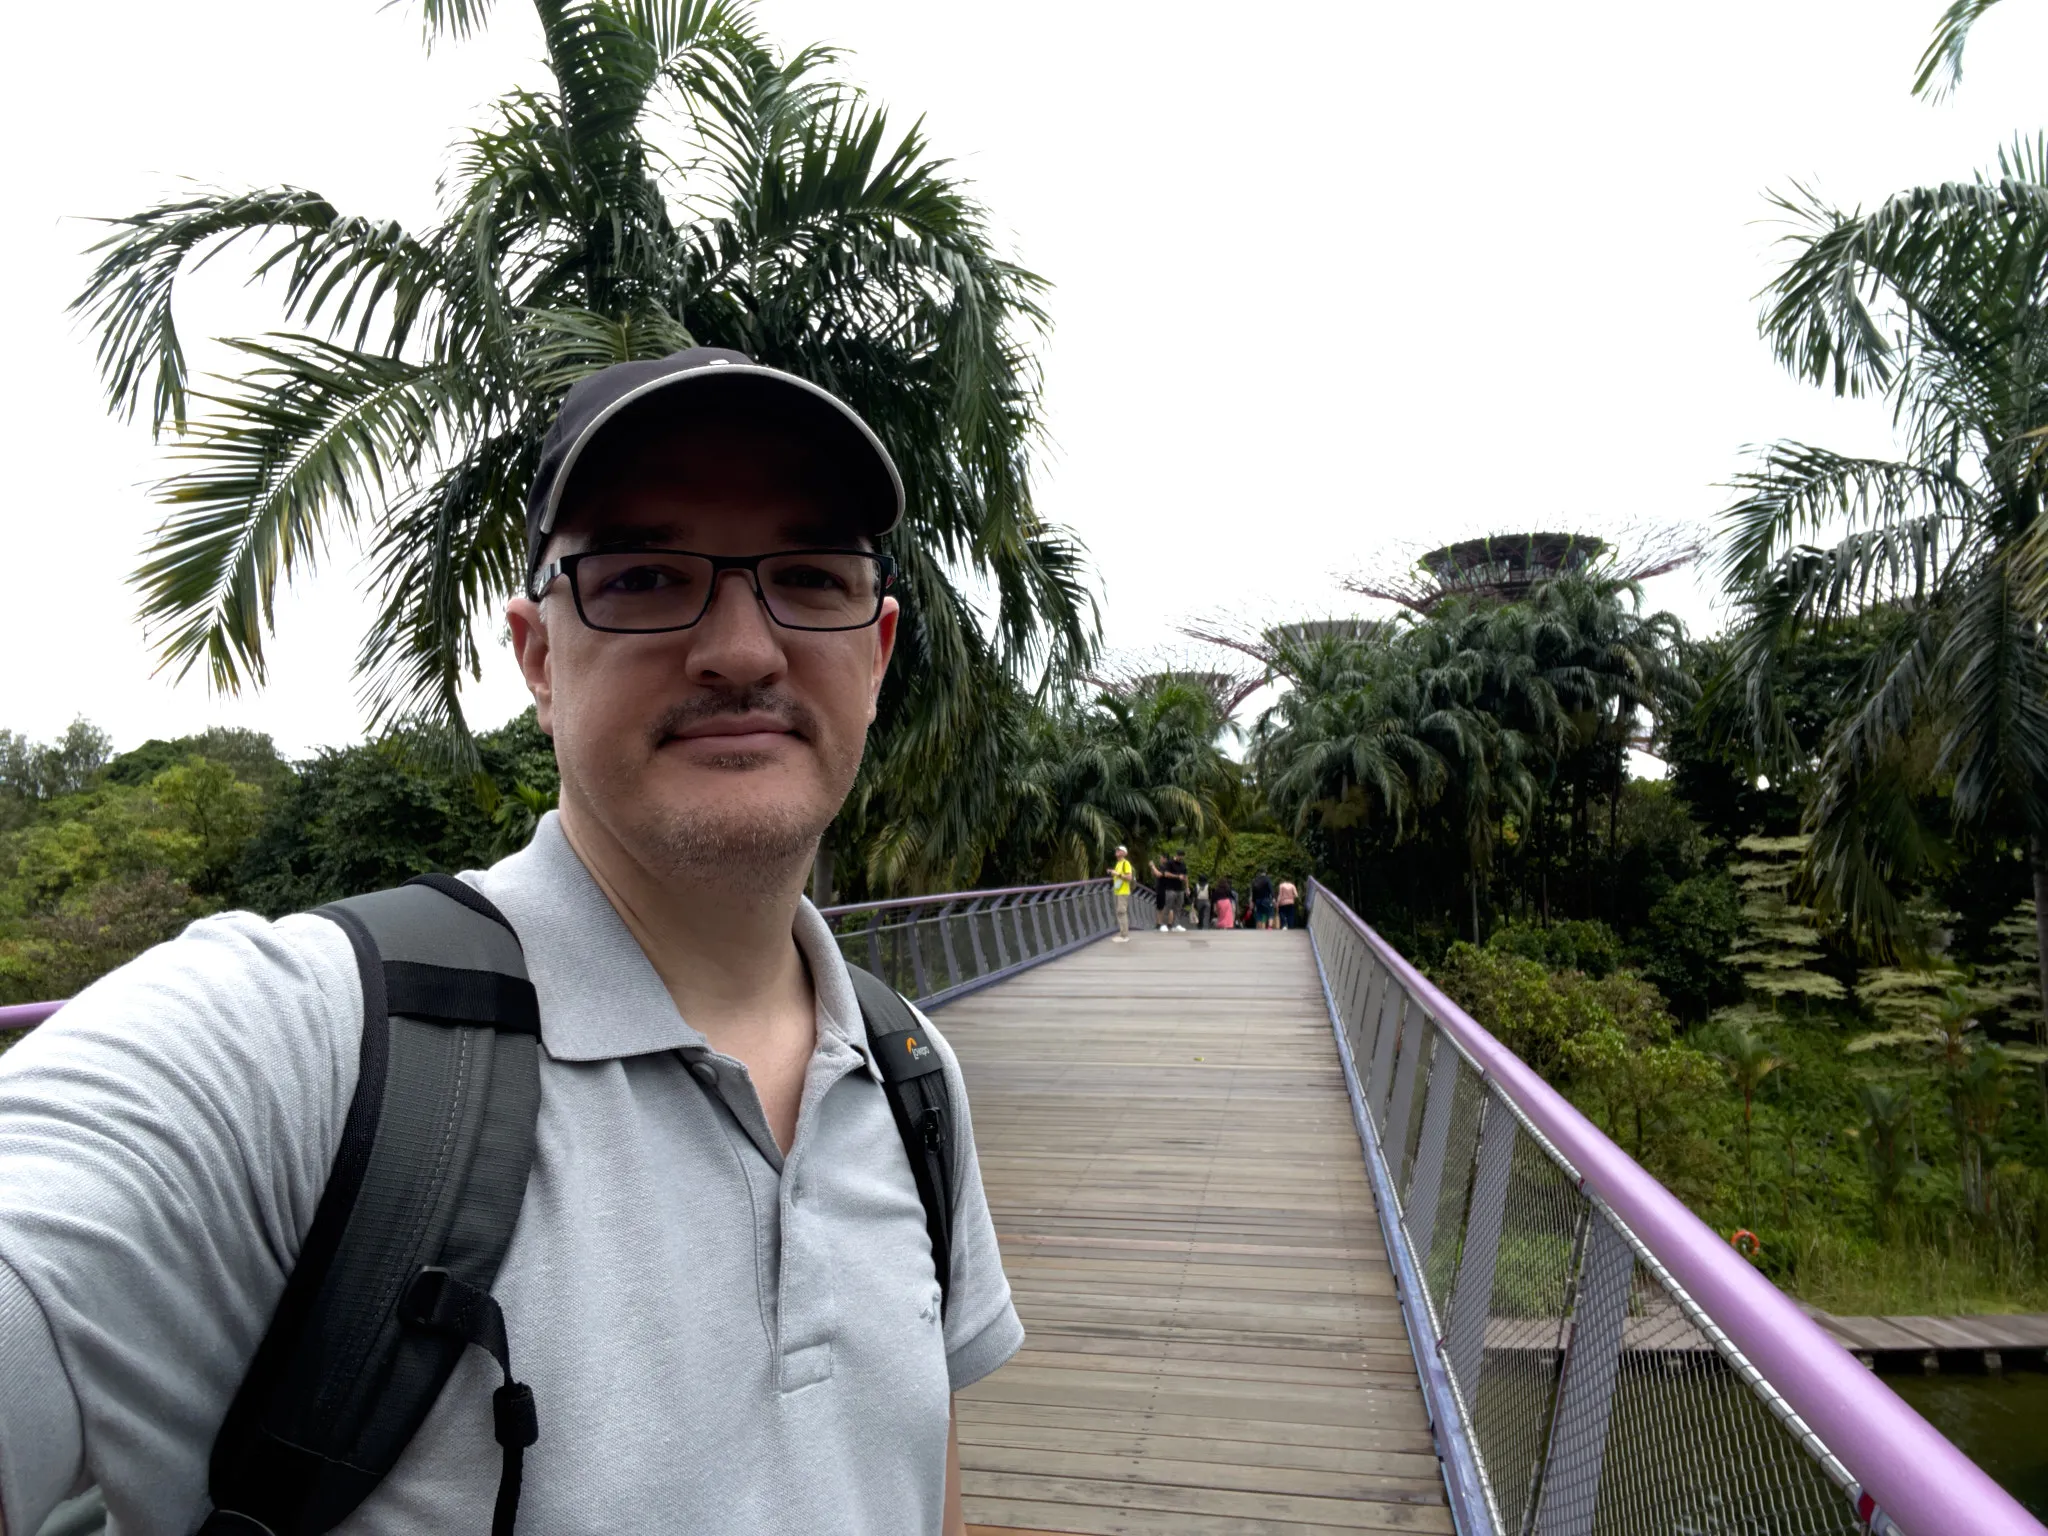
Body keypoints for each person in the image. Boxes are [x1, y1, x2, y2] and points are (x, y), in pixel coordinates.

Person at [0, 349, 1022, 1536]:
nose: (743, 650)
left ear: (877, 650)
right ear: (538, 657)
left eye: (806, 577)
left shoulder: (908, 1076)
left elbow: (912, 1479)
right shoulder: (306, 1048)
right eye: (643, 576)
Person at [1109, 844, 1135, 942]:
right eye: (1117, 850)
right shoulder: (1118, 863)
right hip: (1118, 891)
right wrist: (1113, 872)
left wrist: (1117, 874)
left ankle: (1124, 935)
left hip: (1123, 891)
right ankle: (1122, 933)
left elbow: (1129, 877)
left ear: (1124, 853)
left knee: (1121, 912)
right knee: (1119, 912)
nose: (1117, 851)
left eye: (1119, 850)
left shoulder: (1126, 863)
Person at [1160, 849, 1188, 931]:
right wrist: (1177, 876)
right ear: (1177, 855)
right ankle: (1163, 924)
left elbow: (1186, 876)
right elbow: (1166, 874)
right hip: (1170, 888)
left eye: (1182, 857)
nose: (1181, 858)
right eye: (1180, 856)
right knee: (1168, 906)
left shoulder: (1183, 864)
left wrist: (1187, 887)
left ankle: (1176, 924)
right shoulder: (1170, 863)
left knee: (1179, 907)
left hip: (1180, 889)